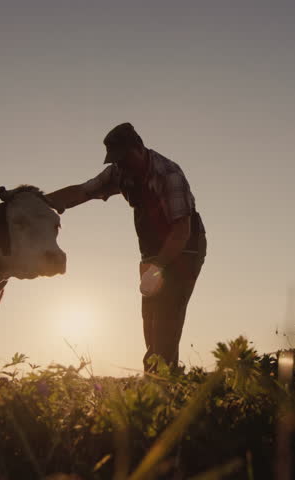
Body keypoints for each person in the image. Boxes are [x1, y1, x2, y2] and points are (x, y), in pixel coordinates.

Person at [48, 123, 207, 372]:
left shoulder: (168, 174)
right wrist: (38, 200)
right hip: (152, 252)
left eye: (123, 158)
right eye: (115, 160)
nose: (120, 165)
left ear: (139, 148)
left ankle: (162, 385)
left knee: (166, 318)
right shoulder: (119, 173)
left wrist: (157, 269)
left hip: (183, 249)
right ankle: (163, 377)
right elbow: (82, 191)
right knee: (150, 321)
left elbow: (181, 231)